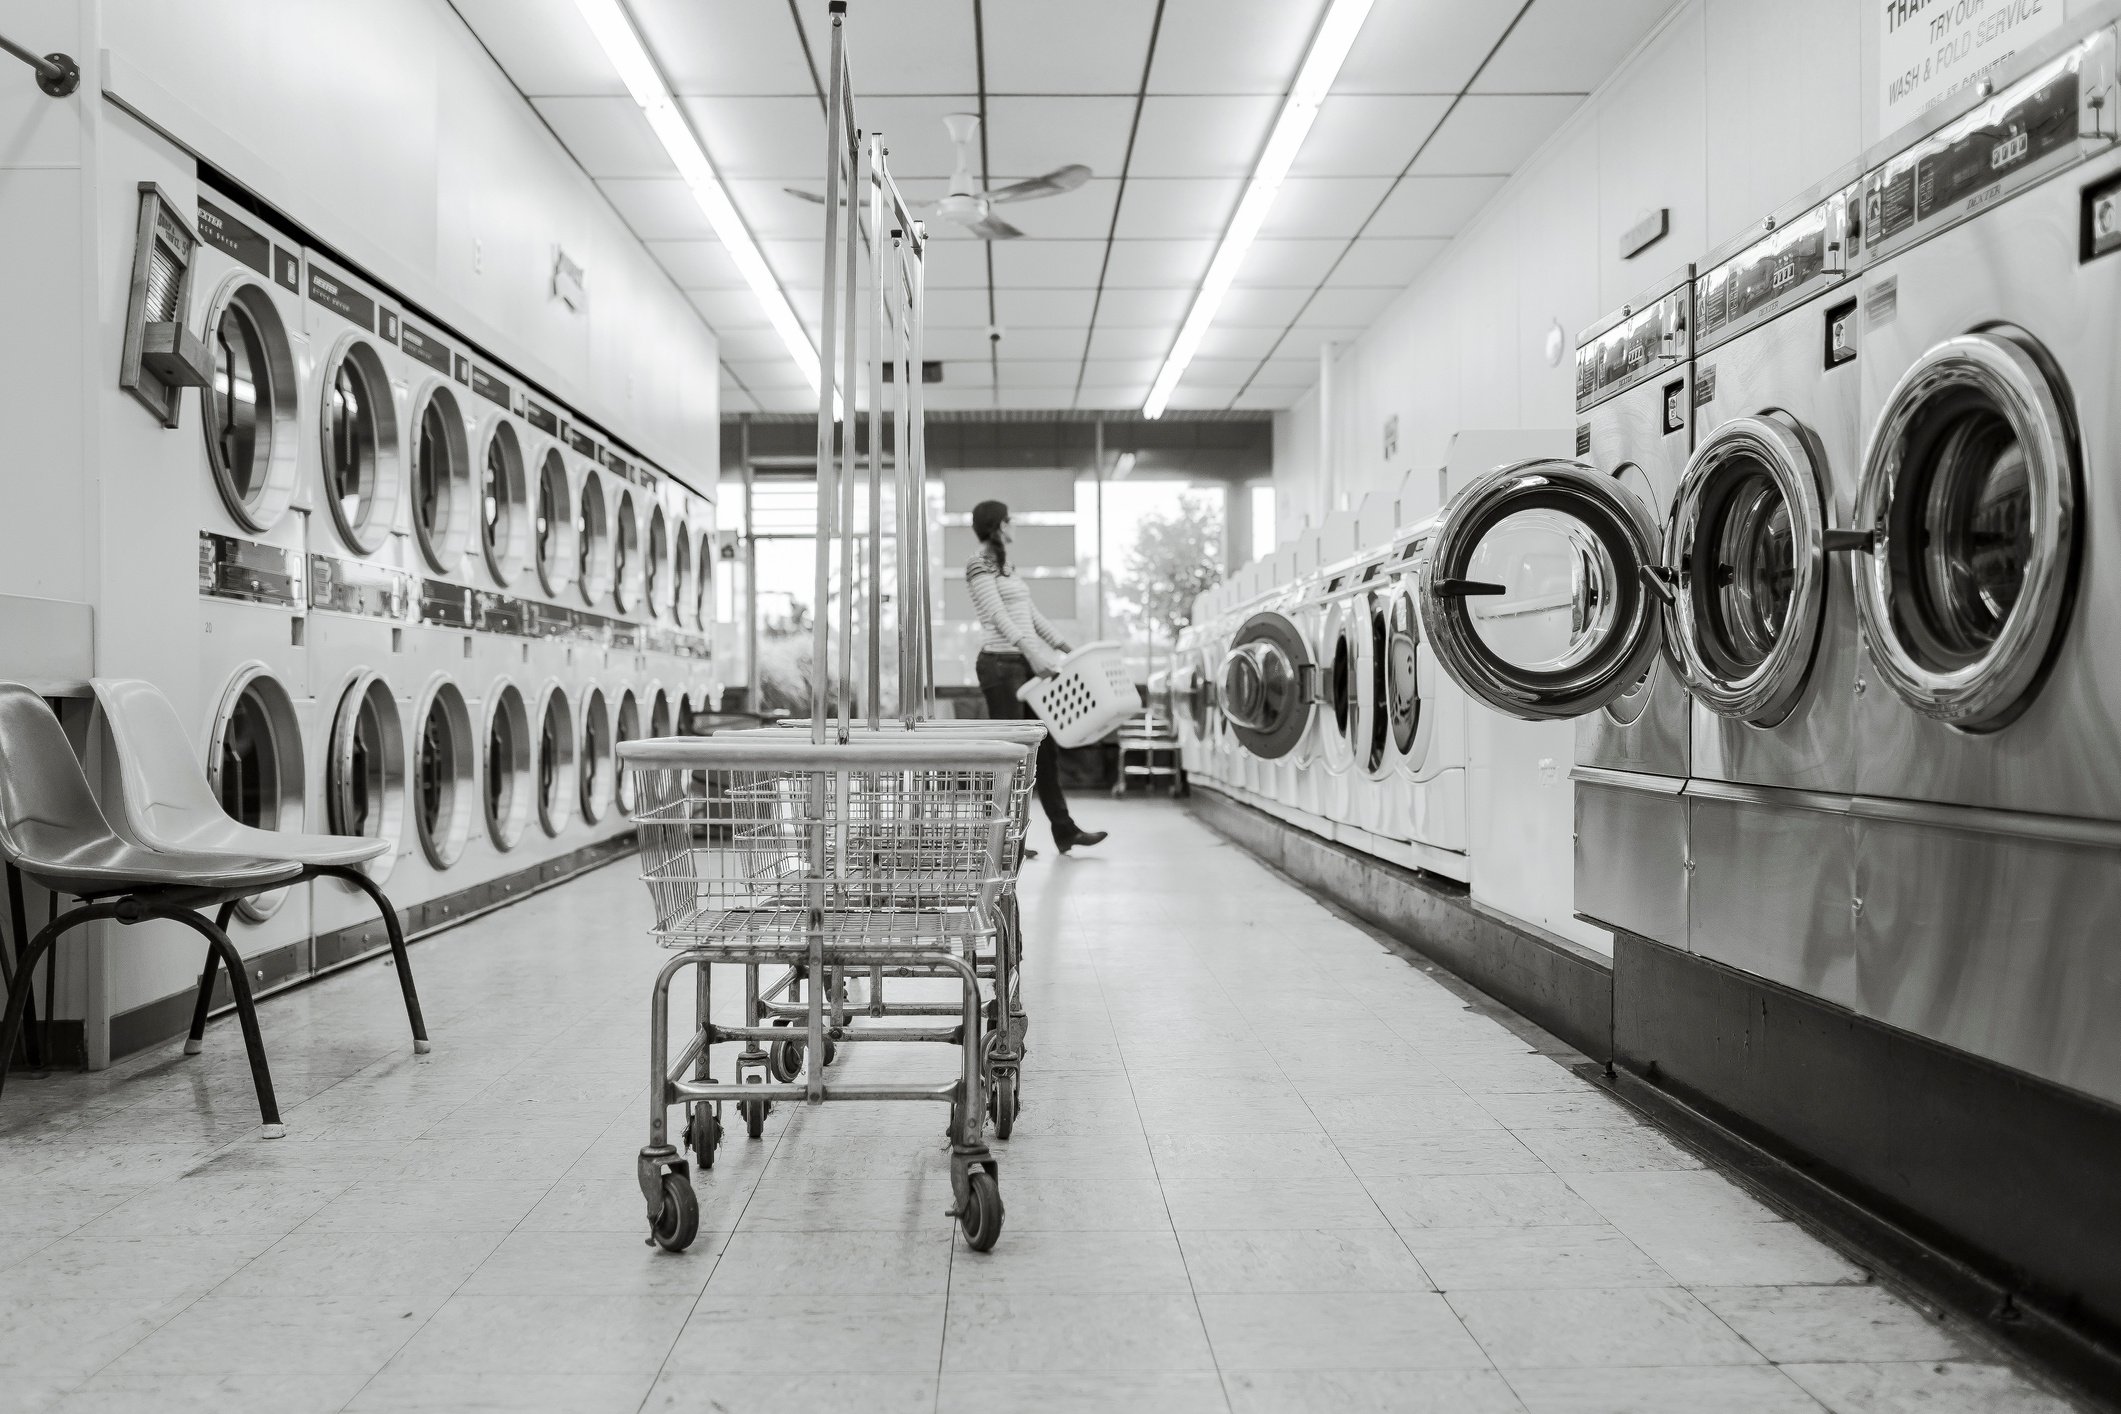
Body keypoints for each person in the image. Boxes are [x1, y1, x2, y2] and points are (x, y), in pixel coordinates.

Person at [966, 499, 1106, 854]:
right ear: (998, 525)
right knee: (1009, 756)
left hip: (1024, 665)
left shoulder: (1007, 566)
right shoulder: (978, 565)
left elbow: (1030, 614)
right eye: (1010, 520)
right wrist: (1031, 652)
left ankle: (1065, 830)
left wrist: (1065, 647)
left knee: (1047, 750)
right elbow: (998, 615)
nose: (1014, 525)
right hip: (1000, 665)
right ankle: (999, 840)